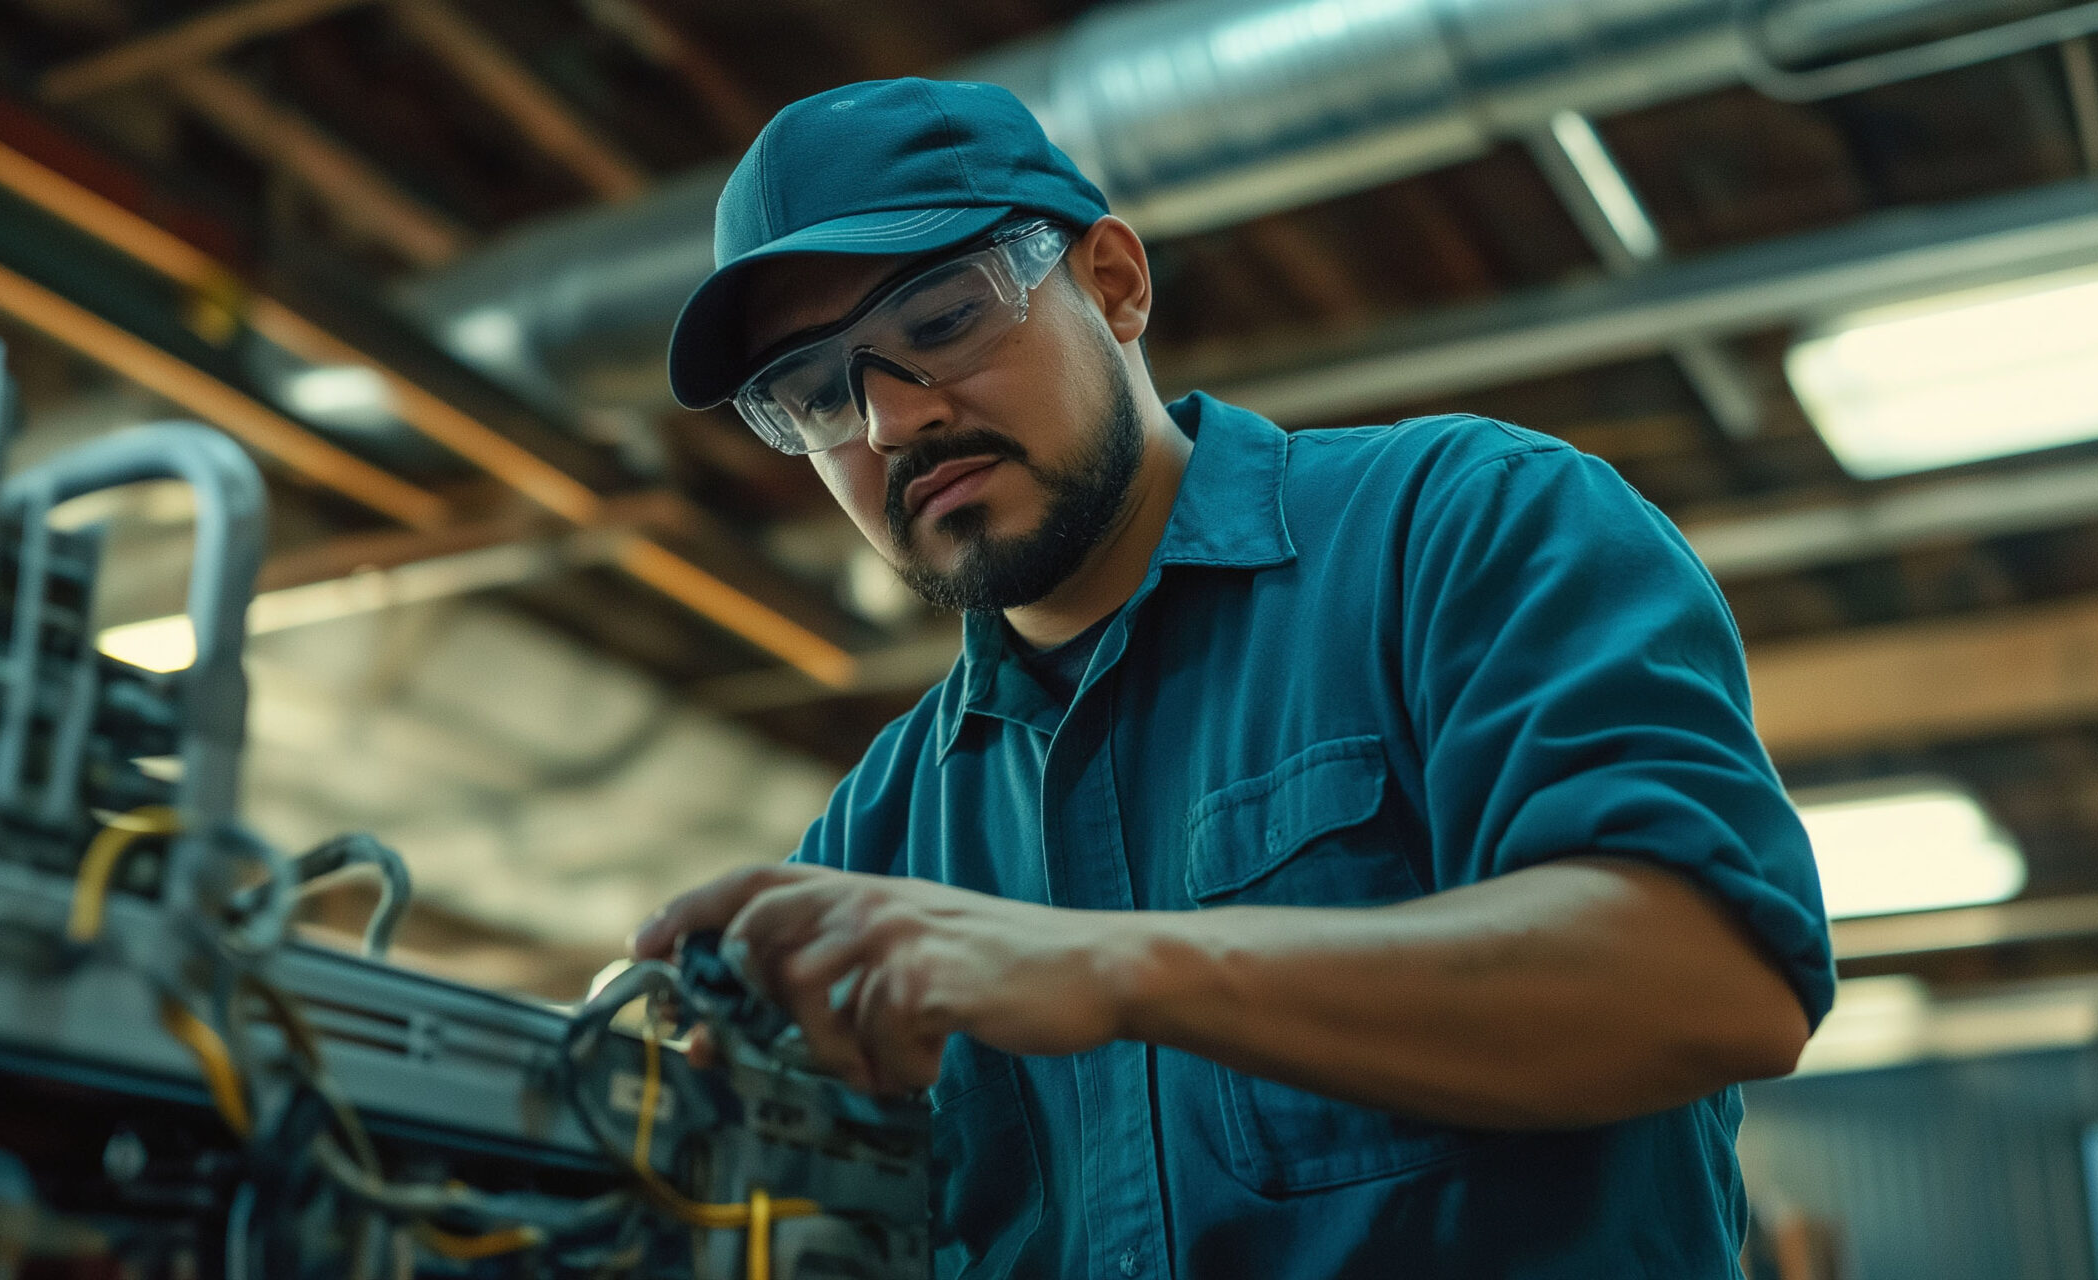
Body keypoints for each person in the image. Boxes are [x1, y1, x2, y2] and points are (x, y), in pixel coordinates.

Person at [630, 76, 1834, 1279]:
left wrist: (1103, 965)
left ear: (1113, 284)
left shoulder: (1461, 527)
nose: (887, 422)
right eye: (816, 394)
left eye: (943, 318)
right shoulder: (878, 833)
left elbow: (1716, 979)